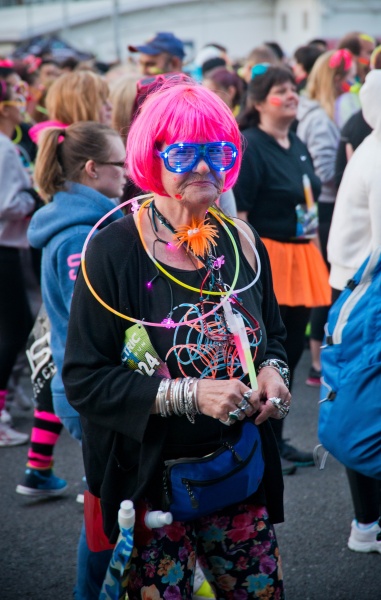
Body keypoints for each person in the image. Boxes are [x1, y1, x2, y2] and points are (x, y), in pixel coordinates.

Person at [63, 80, 291, 599]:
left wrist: (274, 370)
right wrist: (190, 394)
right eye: (185, 151)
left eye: (218, 150)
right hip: (150, 487)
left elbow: (273, 335)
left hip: (237, 472)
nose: (205, 166)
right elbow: (83, 378)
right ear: (151, 155)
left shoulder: (242, 242)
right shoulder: (114, 249)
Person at [26, 121, 126, 594]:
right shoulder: (77, 238)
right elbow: (95, 327)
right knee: (108, 507)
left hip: (94, 384)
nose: (128, 174)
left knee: (115, 501)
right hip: (92, 389)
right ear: (92, 170)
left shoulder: (89, 224)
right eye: (119, 165)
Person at [234, 65, 331, 473]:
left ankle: (278, 436)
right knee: (270, 352)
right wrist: (247, 272)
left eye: (293, 88)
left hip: (300, 253)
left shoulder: (297, 142)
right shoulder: (251, 145)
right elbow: (240, 215)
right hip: (268, 257)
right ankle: (265, 442)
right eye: (280, 91)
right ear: (257, 102)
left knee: (289, 353)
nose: (292, 95)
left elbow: (308, 206)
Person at [327, 69, 381, 553]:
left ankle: (368, 523)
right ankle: (367, 525)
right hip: (365, 298)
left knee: (361, 408)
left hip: (355, 292)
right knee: (363, 411)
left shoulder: (373, 140)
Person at [296, 50, 349, 386]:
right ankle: (316, 361)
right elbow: (322, 172)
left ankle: (316, 358)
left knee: (320, 279)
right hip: (319, 206)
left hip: (314, 205)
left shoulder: (318, 112)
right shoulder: (318, 117)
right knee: (321, 281)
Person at [0, 77, 38, 446]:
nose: (22, 102)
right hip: (5, 248)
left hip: (9, 248)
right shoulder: (4, 148)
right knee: (15, 330)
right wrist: (32, 196)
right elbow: (7, 204)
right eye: (15, 96)